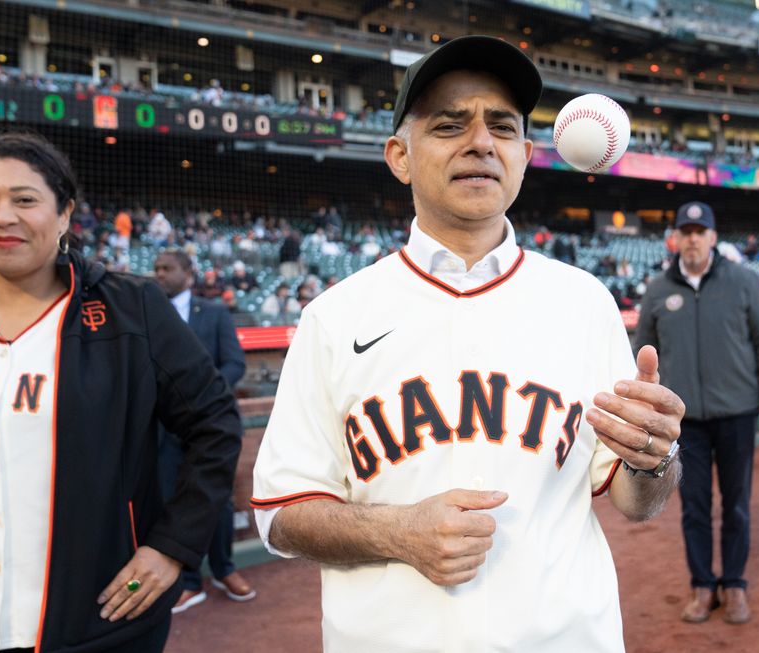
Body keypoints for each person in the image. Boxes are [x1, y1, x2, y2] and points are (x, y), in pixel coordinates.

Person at [251, 35, 685, 653]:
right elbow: (279, 512)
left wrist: (653, 458)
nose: (480, 141)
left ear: (526, 154)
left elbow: (634, 500)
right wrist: (398, 532)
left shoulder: (585, 301)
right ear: (400, 156)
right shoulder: (332, 316)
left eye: (502, 127)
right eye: (450, 124)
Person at [0, 132, 241, 653]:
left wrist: (171, 547)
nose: (2, 216)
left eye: (24, 199)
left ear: (64, 214)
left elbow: (214, 425)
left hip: (100, 622)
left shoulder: (132, 309)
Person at [634, 200, 759, 626]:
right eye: (685, 232)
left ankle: (734, 584)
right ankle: (702, 585)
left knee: (737, 505)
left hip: (738, 413)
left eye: (700, 232)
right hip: (685, 424)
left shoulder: (745, 282)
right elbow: (643, 354)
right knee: (694, 507)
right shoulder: (659, 290)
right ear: (676, 239)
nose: (693, 239)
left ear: (713, 238)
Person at [152, 250, 256, 614]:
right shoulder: (149, 312)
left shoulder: (213, 312)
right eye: (156, 269)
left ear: (187, 273)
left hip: (210, 427)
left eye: (167, 269)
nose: (159, 275)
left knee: (219, 501)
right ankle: (189, 581)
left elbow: (234, 363)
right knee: (172, 499)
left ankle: (225, 570)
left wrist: (202, 397)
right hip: (164, 429)